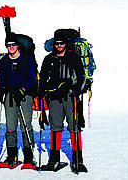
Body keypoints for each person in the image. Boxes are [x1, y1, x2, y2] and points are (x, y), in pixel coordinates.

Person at [39, 31, 88, 172]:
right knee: (55, 127)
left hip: (71, 96)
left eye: (61, 43)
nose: (59, 46)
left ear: (66, 44)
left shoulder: (74, 58)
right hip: (54, 96)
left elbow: (81, 75)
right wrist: (42, 92)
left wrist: (77, 89)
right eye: (57, 44)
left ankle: (78, 160)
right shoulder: (49, 59)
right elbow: (43, 77)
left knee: (74, 127)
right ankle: (54, 159)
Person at [0, 32, 36, 168]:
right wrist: (1, 90)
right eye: (8, 45)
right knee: (10, 127)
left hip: (24, 95)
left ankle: (28, 157)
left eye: (13, 45)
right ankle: (11, 157)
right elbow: (1, 78)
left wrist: (23, 89)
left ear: (17, 45)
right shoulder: (4, 60)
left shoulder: (27, 59)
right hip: (10, 96)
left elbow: (32, 78)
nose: (11, 47)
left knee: (26, 125)